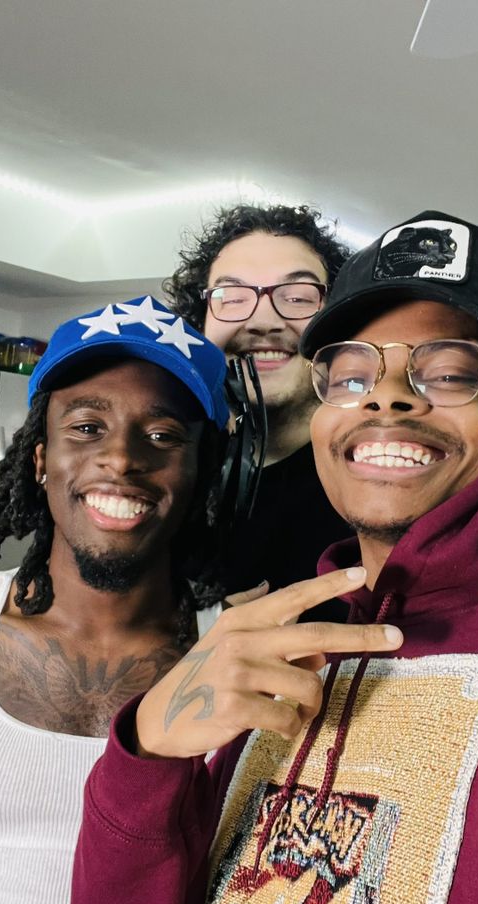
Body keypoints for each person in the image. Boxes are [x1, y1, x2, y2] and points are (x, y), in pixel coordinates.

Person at [71, 211, 478, 904]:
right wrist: (146, 754)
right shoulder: (279, 637)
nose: (385, 399)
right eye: (350, 375)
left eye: (451, 372)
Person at [0, 295, 233, 904]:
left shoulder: (235, 664)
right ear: (41, 459)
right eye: (86, 428)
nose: (122, 459)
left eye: (162, 436)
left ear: (199, 473)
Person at [164, 203, 355, 620]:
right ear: (200, 323)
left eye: (298, 297)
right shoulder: (164, 470)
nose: (263, 320)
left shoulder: (374, 485)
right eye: (231, 297)